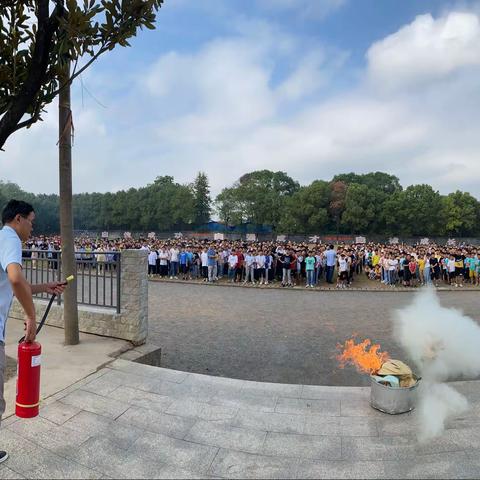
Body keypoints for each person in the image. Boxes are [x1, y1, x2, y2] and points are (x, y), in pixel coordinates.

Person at [0, 200, 66, 464]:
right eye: (32, 221)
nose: (32, 228)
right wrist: (31, 315)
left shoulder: (2, 237)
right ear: (18, 219)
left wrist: (45, 286)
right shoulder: (11, 238)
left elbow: (19, 282)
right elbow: (15, 278)